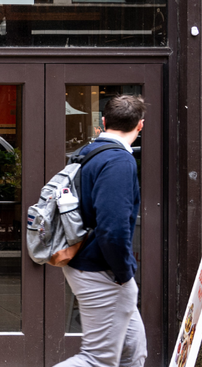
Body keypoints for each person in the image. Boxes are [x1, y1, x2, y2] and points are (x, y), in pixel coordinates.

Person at [56, 95, 147, 367]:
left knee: (133, 352)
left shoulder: (89, 152)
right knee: (97, 360)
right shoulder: (118, 161)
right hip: (101, 271)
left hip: (92, 264)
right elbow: (113, 229)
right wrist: (123, 272)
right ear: (140, 126)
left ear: (103, 122)